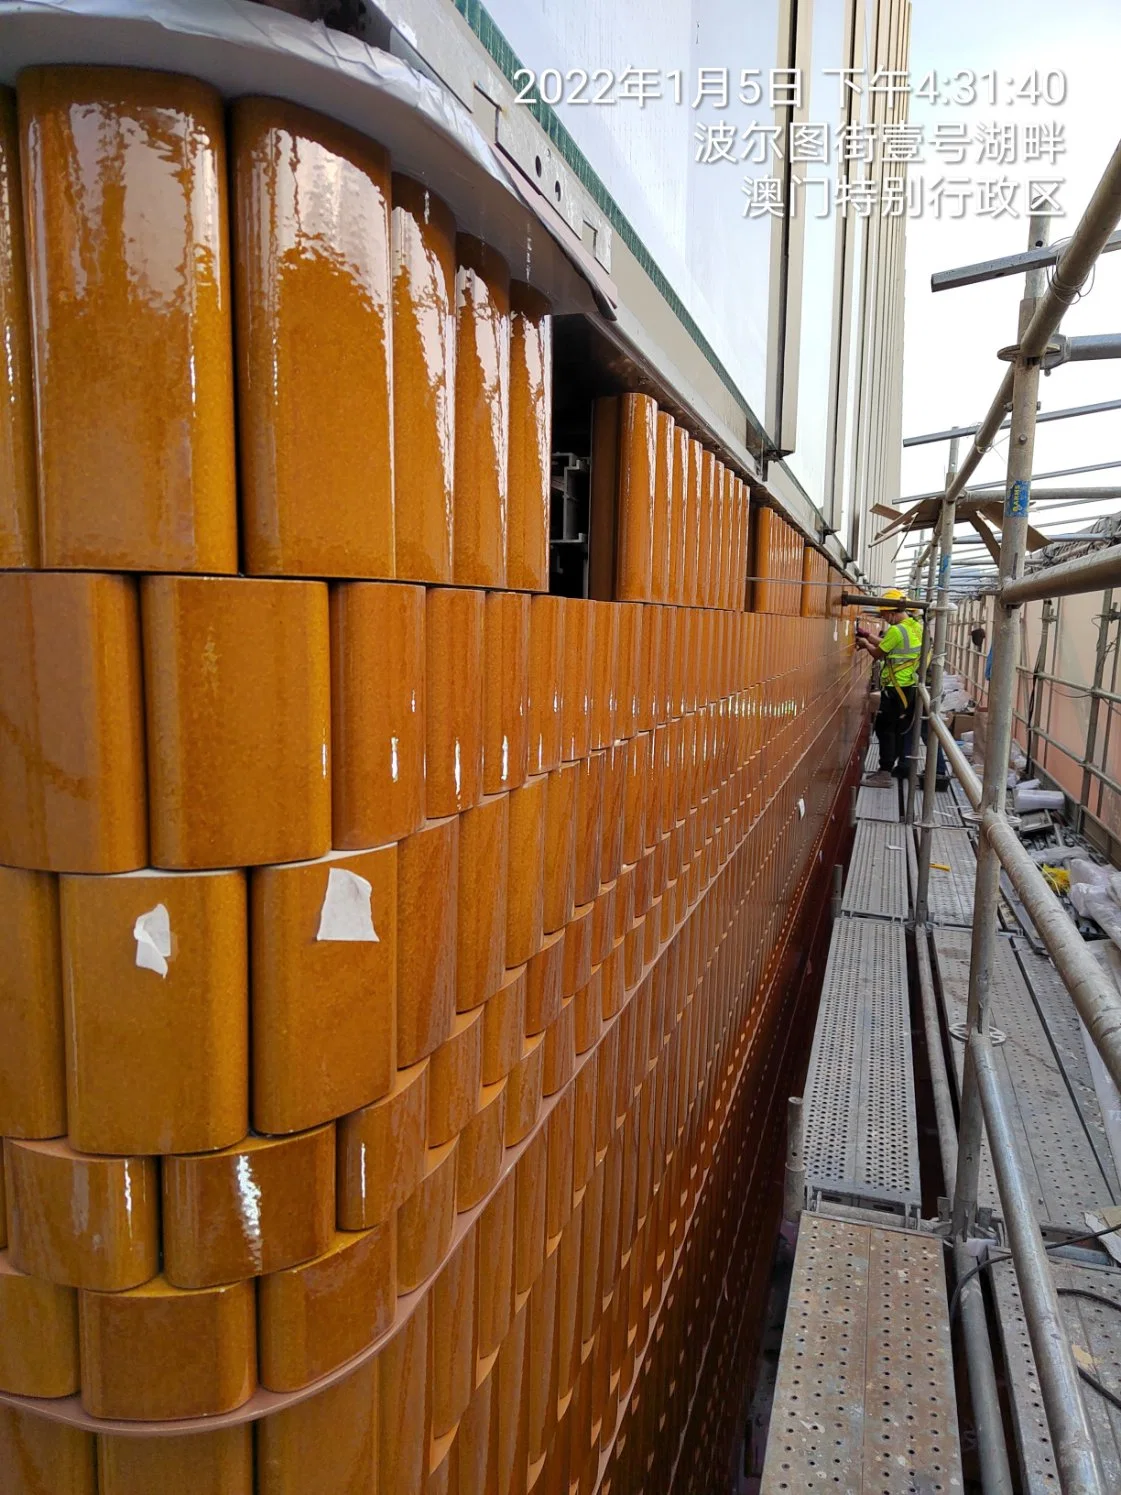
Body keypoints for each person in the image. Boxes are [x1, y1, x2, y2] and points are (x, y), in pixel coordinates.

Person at [856, 588, 923, 786]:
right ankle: (896, 767)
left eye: (885, 615)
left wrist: (864, 643)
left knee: (885, 729)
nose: (885, 619)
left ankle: (884, 773)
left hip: (895, 688)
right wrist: (868, 636)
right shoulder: (914, 627)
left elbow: (879, 653)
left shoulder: (896, 629)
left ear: (893, 612)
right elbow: (888, 644)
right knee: (897, 728)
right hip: (907, 686)